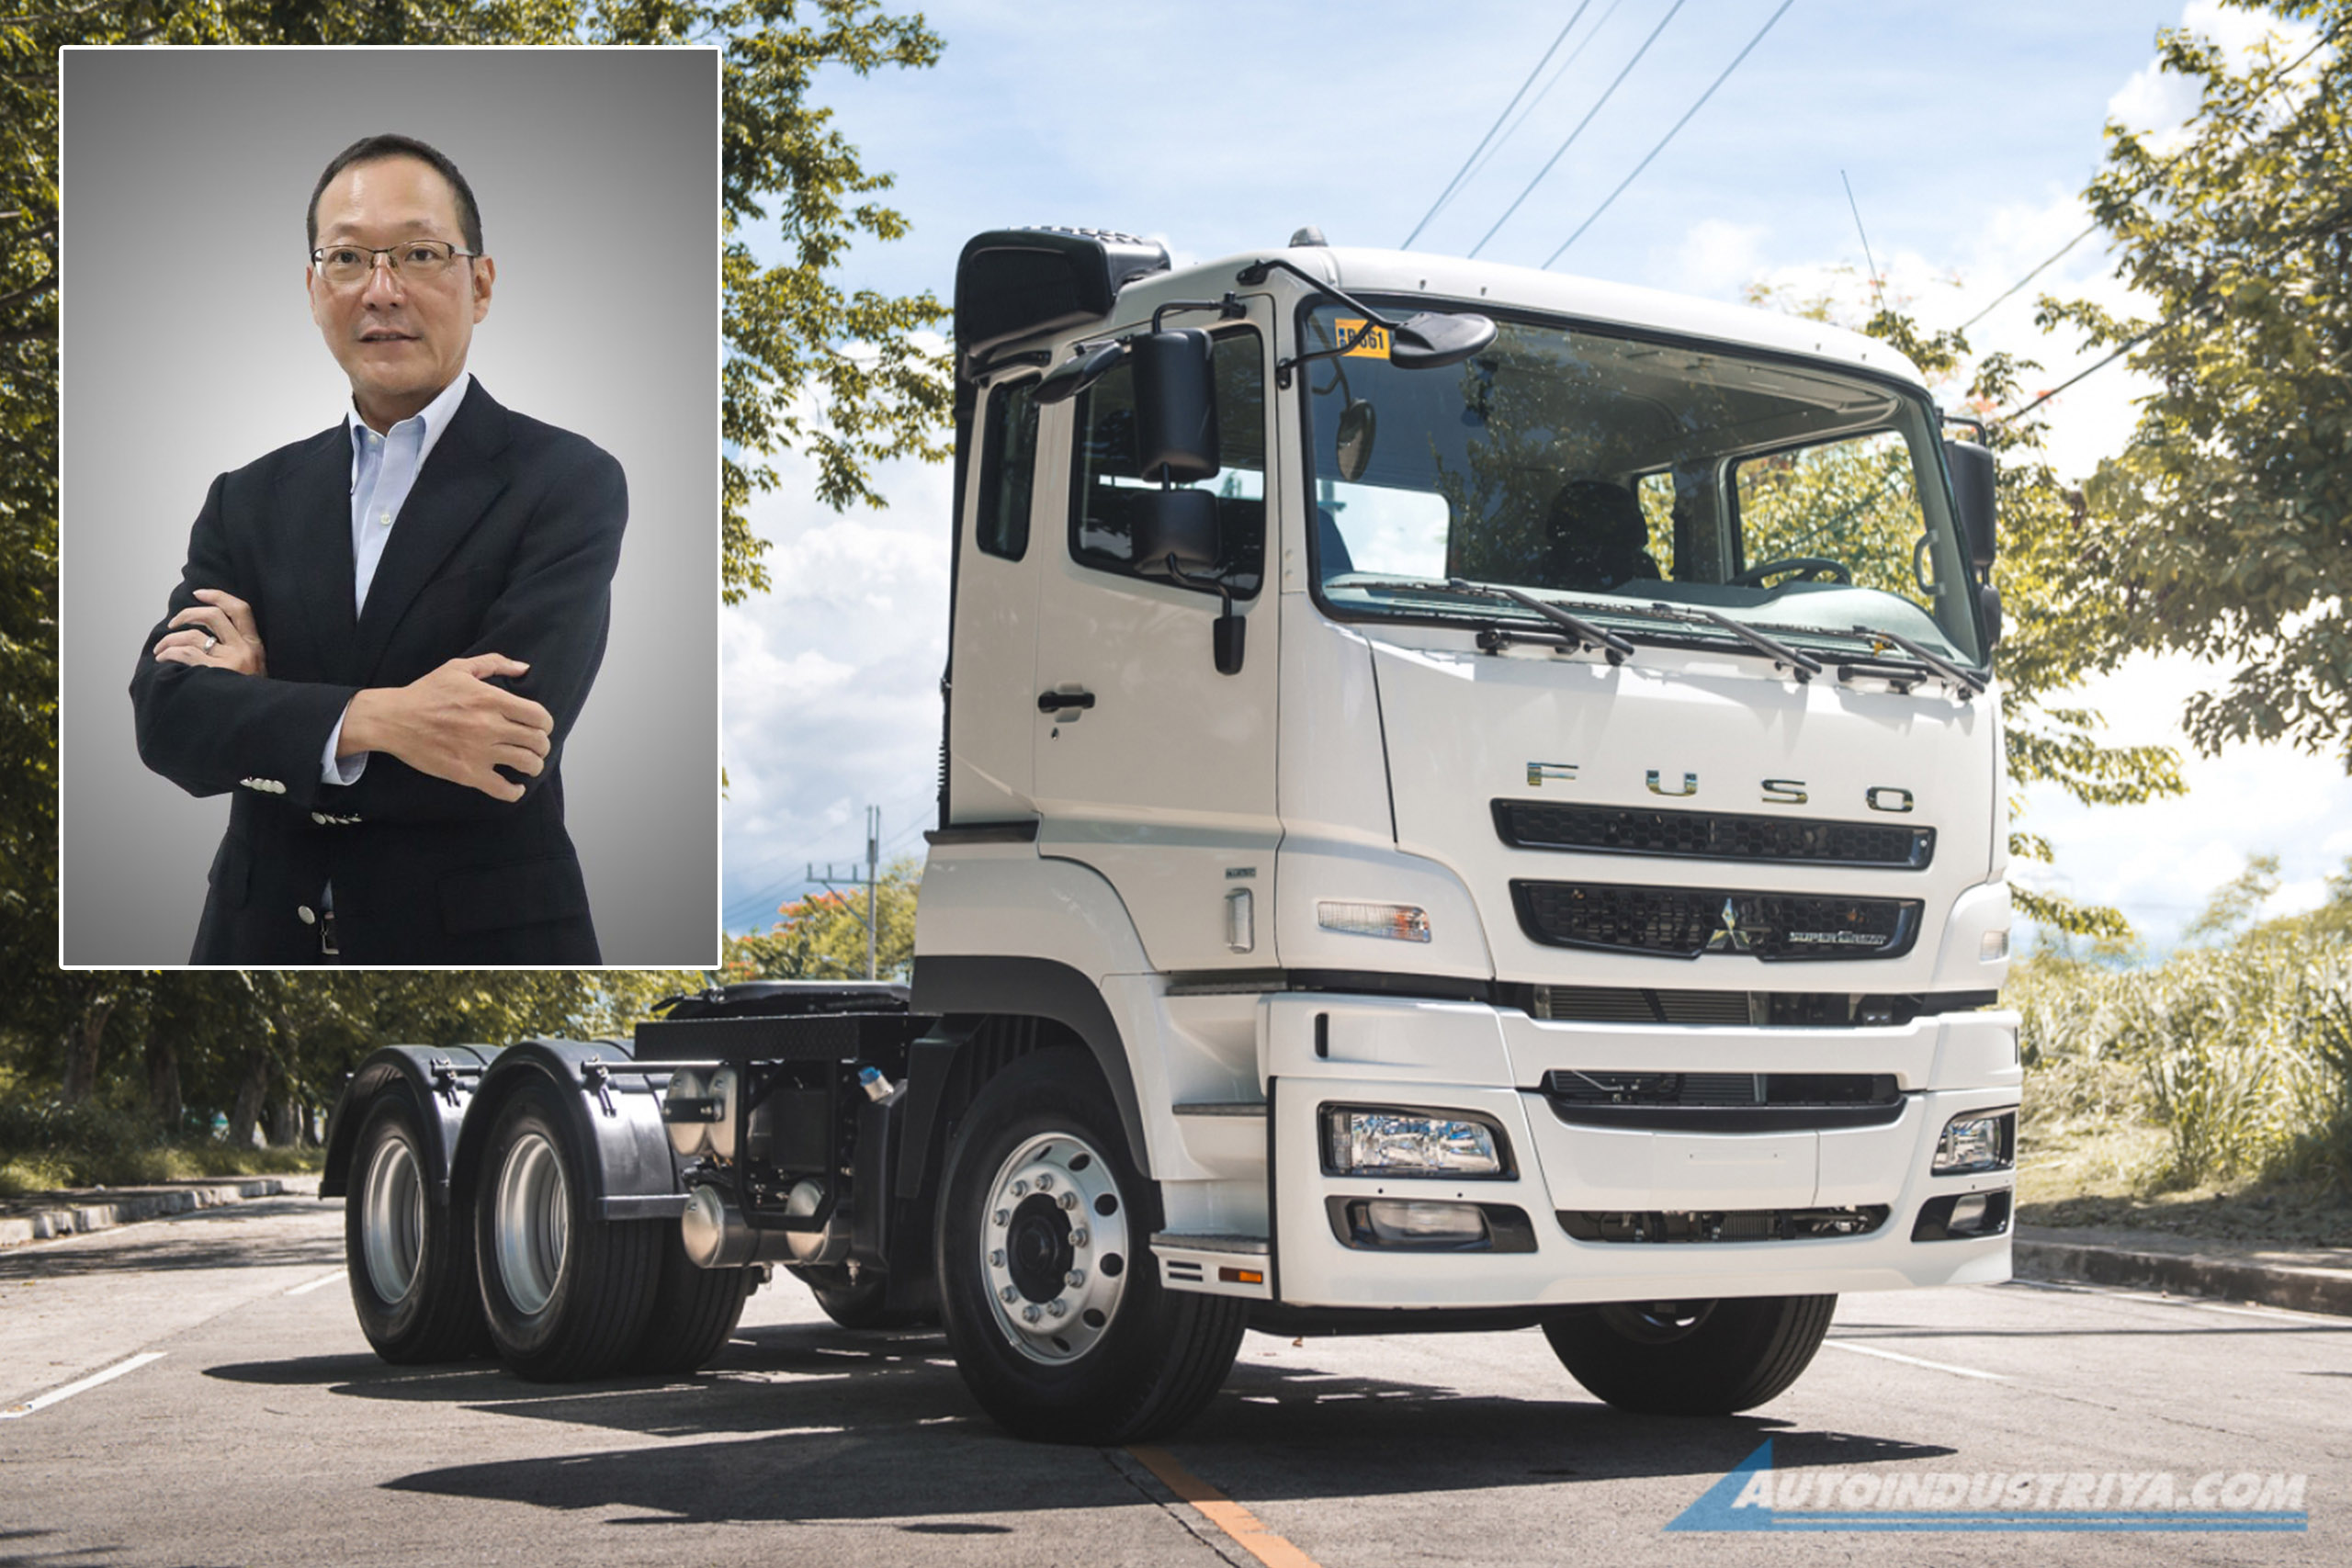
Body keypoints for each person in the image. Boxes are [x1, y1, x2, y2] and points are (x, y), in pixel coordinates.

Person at [129, 133, 626, 964]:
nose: (382, 290)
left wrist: (264, 712)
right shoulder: (246, 499)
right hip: (253, 944)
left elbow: (504, 749)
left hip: (480, 947)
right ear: (314, 287)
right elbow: (169, 721)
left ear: (481, 283)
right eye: (349, 258)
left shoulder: (568, 481)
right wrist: (386, 719)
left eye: (420, 254)